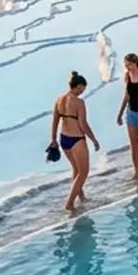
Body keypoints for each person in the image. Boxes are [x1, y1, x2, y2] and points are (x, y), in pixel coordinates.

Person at [50, 71, 100, 212]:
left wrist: (53, 140)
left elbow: (54, 122)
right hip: (77, 139)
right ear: (78, 86)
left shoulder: (59, 100)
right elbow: (83, 125)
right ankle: (69, 203)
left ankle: (81, 197)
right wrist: (94, 139)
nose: (82, 92)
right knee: (83, 172)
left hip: (64, 139)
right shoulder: (79, 102)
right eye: (82, 89)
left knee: (76, 169)